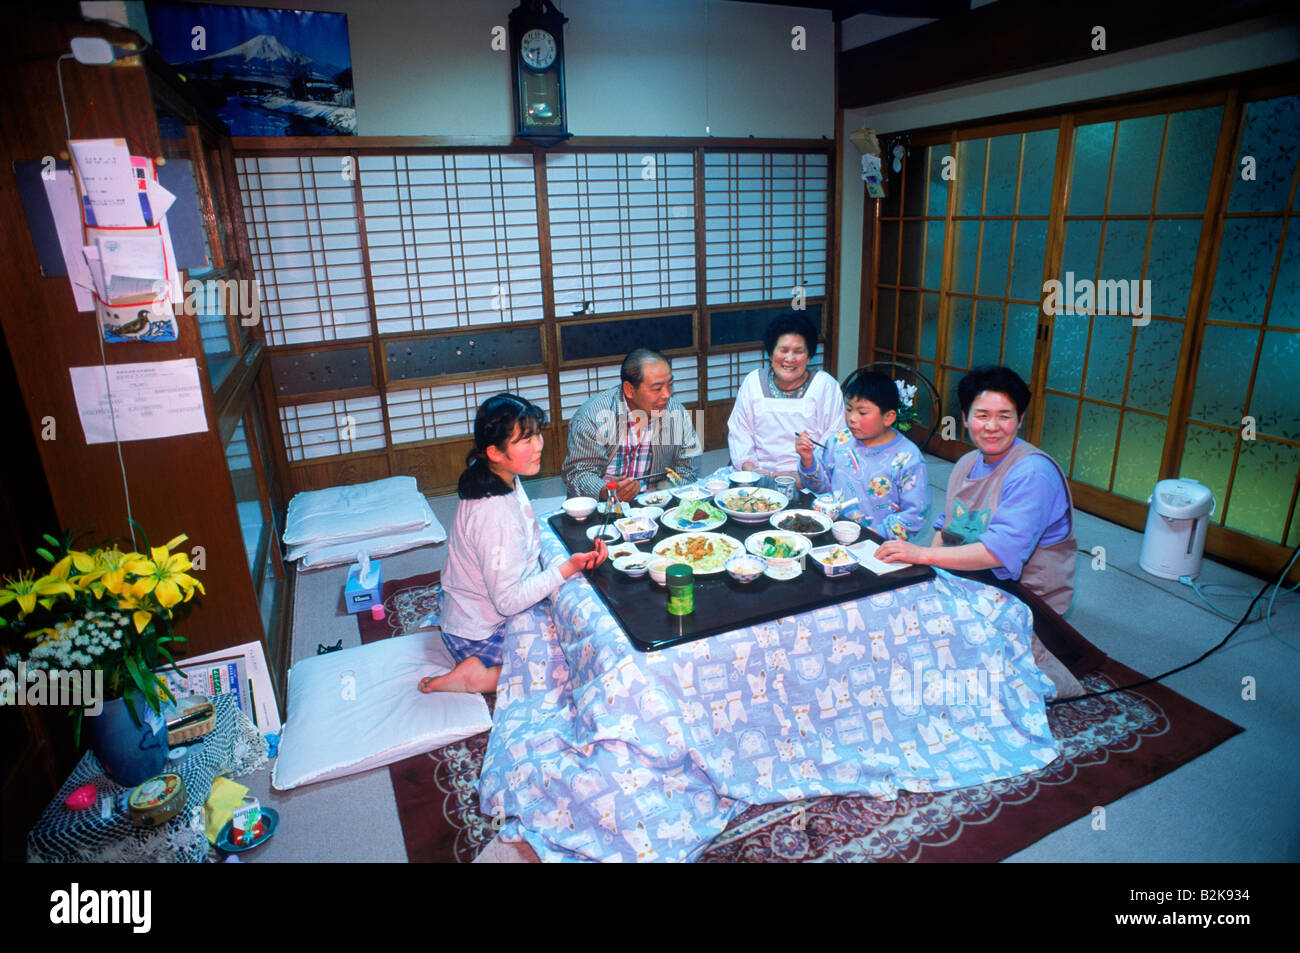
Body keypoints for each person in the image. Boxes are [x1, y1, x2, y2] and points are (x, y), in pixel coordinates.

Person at [875, 366, 1083, 697]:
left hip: (1026, 596)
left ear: (1021, 418)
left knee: (963, 670)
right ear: (966, 417)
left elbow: (999, 553)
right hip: (976, 578)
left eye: (1005, 416)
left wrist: (921, 554)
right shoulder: (967, 462)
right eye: (982, 415)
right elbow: (946, 530)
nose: (992, 427)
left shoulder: (1033, 473)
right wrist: (926, 575)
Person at [419, 393, 607, 694]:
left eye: (537, 435)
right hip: (479, 634)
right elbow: (507, 602)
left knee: (572, 610)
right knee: (575, 665)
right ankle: (478, 677)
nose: (539, 446)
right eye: (526, 440)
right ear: (494, 452)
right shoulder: (493, 514)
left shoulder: (501, 475)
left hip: (470, 606)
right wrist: (566, 568)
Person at [796, 368, 929, 539]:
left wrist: (874, 535)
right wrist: (808, 460)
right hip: (836, 531)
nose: (852, 418)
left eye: (862, 412)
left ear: (888, 417)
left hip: (880, 543)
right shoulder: (839, 441)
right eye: (849, 409)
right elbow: (821, 487)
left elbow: (915, 515)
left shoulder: (907, 457)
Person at [562, 348, 702, 503]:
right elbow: (578, 474)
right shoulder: (592, 417)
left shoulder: (675, 412)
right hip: (603, 504)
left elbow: (688, 468)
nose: (667, 395)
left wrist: (662, 491)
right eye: (657, 389)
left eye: (670, 385)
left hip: (656, 501)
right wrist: (606, 491)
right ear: (629, 389)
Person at [728, 313, 844, 483]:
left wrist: (805, 473)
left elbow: (835, 437)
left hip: (810, 477)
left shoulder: (825, 386)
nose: (789, 359)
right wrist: (752, 471)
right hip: (758, 474)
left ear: (810, 356)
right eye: (783, 350)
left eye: (798, 352)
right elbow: (740, 432)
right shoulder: (753, 382)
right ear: (770, 353)